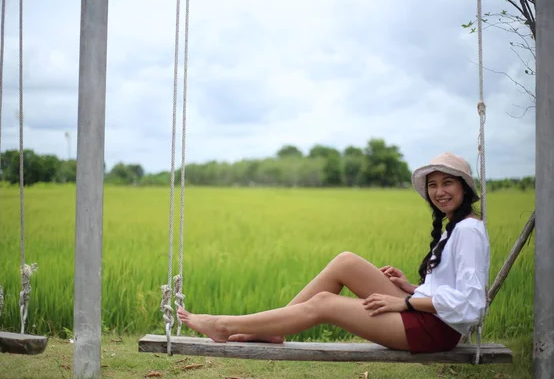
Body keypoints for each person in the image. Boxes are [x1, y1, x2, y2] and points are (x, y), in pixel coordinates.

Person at [177, 151, 491, 354]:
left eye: (447, 183)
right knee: (346, 262)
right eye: (433, 185)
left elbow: (470, 303)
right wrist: (412, 288)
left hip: (434, 331)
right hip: (426, 315)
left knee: (325, 304)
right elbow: (449, 289)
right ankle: (275, 331)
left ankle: (225, 325)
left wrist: (405, 301)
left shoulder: (468, 231)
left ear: (464, 188)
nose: (439, 192)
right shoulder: (456, 227)